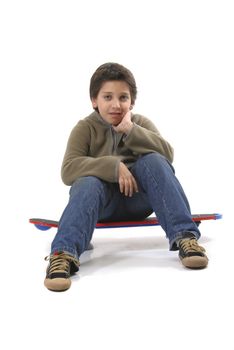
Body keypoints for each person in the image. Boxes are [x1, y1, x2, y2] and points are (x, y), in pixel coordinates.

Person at [44, 62, 208, 292]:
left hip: (139, 201)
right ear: (94, 100)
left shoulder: (140, 123)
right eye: (107, 97)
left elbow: (167, 156)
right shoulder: (84, 128)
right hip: (102, 205)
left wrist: (131, 131)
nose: (116, 104)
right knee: (87, 181)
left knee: (153, 160)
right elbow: (68, 170)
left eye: (123, 98)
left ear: (132, 102)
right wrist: (113, 167)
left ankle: (185, 237)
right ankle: (63, 253)